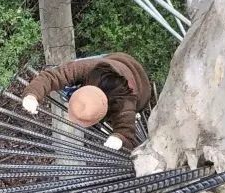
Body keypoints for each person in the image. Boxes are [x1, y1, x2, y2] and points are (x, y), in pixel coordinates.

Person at [20, 52, 152, 151]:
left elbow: (127, 134)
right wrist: (32, 95)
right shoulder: (90, 67)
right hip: (113, 59)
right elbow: (51, 76)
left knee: (126, 120)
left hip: (140, 83)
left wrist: (119, 138)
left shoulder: (125, 102)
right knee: (68, 80)